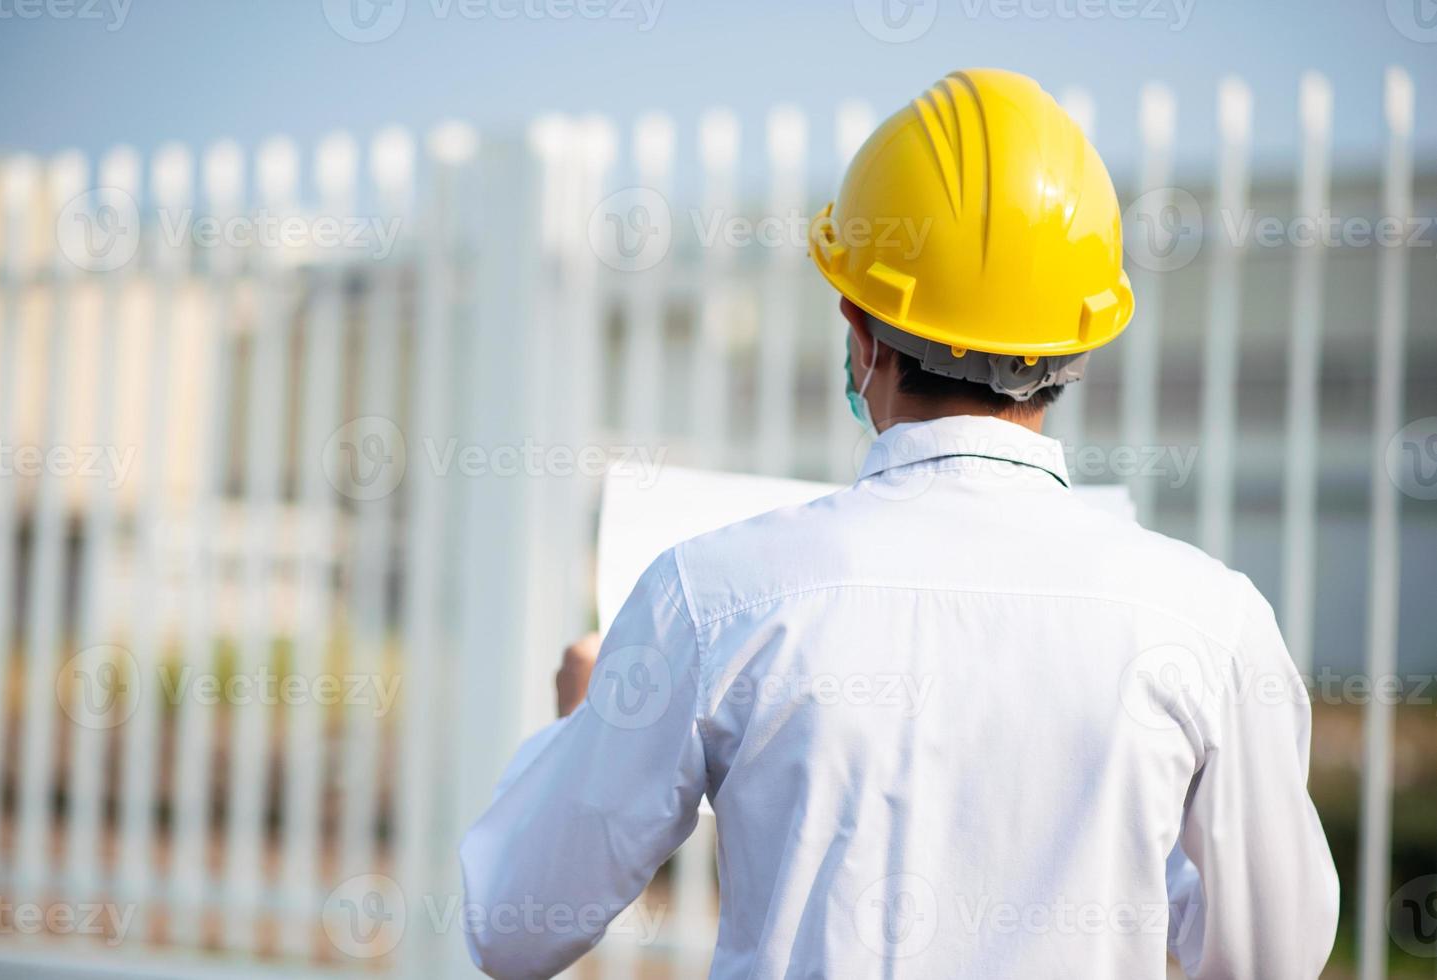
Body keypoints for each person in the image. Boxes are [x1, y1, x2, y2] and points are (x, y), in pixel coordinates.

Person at [460, 68, 1339, 979]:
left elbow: (511, 924)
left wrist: (582, 723)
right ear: (1078, 346)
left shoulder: (712, 599)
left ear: (861, 327)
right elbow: (1270, 959)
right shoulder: (1208, 624)